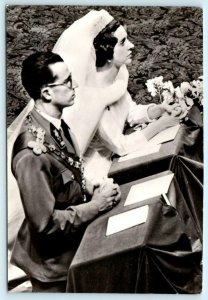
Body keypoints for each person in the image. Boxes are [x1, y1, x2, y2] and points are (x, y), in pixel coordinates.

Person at [10, 51, 121, 292]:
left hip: (71, 242)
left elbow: (66, 174)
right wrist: (97, 205)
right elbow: (45, 225)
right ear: (47, 92)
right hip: (54, 267)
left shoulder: (54, 125)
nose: (76, 85)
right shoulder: (31, 154)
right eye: (68, 81)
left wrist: (90, 187)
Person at [53, 10, 180, 182]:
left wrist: (158, 110)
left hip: (116, 156)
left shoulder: (118, 76)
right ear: (107, 52)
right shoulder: (92, 95)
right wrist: (162, 124)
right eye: (123, 42)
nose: (132, 45)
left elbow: (129, 111)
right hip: (96, 170)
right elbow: (120, 145)